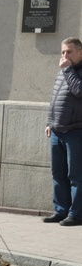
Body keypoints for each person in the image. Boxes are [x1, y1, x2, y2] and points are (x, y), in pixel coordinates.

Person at [43, 37, 82, 226]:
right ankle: (60, 210)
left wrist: (67, 69)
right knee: (58, 173)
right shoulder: (63, 73)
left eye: (69, 52)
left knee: (76, 175)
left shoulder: (71, 71)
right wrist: (50, 122)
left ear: (80, 53)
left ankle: (77, 213)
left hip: (75, 131)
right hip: (57, 131)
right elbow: (56, 100)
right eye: (63, 52)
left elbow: (79, 91)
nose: (65, 56)